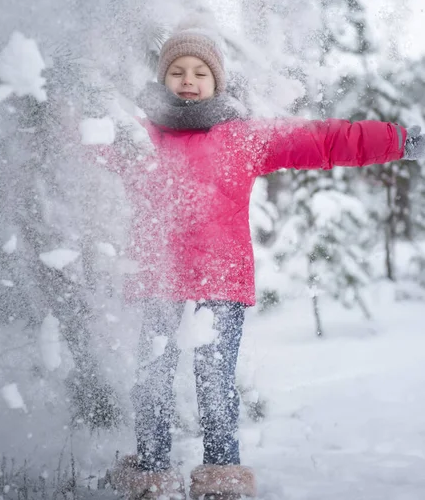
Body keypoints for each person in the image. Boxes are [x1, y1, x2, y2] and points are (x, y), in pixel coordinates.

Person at [89, 26, 425, 500]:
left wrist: (398, 141)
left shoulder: (241, 138)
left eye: (201, 72)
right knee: (152, 380)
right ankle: (150, 473)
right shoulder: (139, 136)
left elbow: (322, 141)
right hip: (157, 276)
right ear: (163, 79)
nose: (189, 79)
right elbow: (84, 142)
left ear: (217, 82)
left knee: (215, 383)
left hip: (219, 279)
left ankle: (222, 474)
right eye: (178, 71)